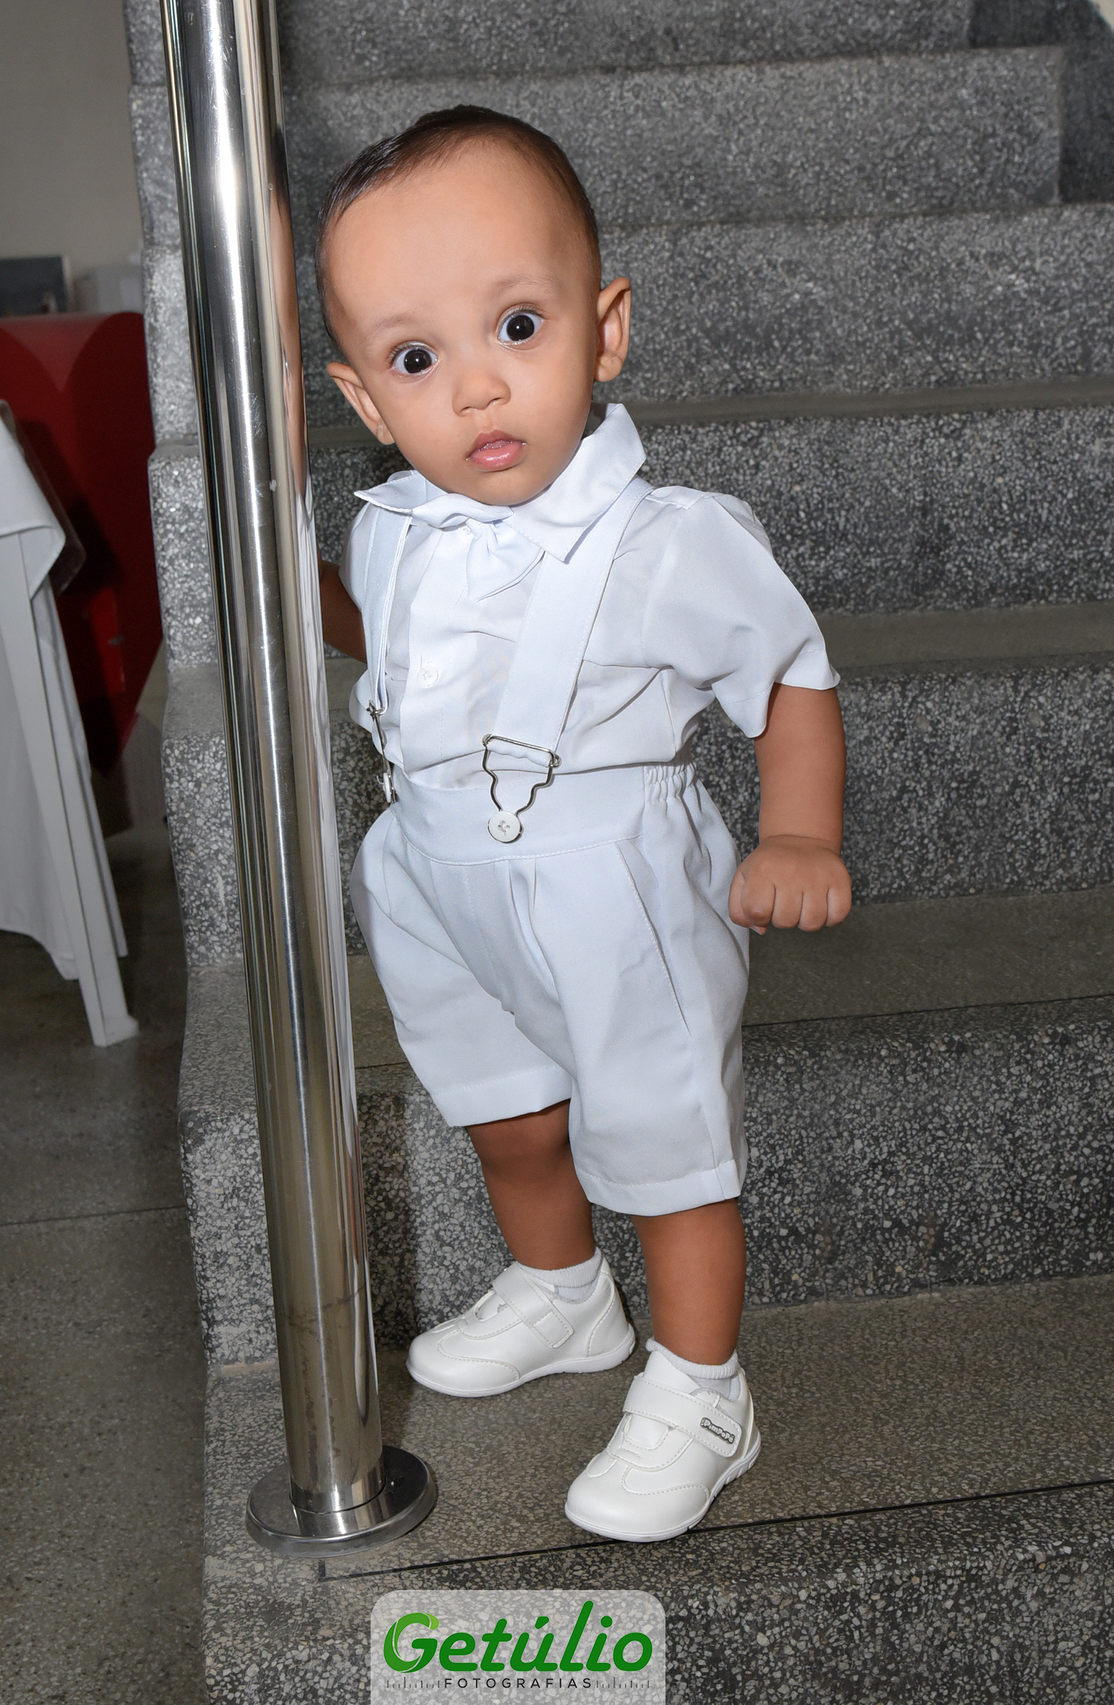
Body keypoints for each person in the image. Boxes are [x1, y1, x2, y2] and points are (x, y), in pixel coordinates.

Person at [313, 106, 851, 1544]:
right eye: (416, 359)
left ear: (605, 330)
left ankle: (703, 1387)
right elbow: (402, 642)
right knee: (505, 1111)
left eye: (518, 326)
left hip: (615, 889)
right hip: (434, 871)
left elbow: (791, 674)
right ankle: (563, 1292)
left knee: (667, 1148)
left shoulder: (673, 540)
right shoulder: (392, 523)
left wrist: (799, 832)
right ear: (366, 399)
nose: (476, 385)